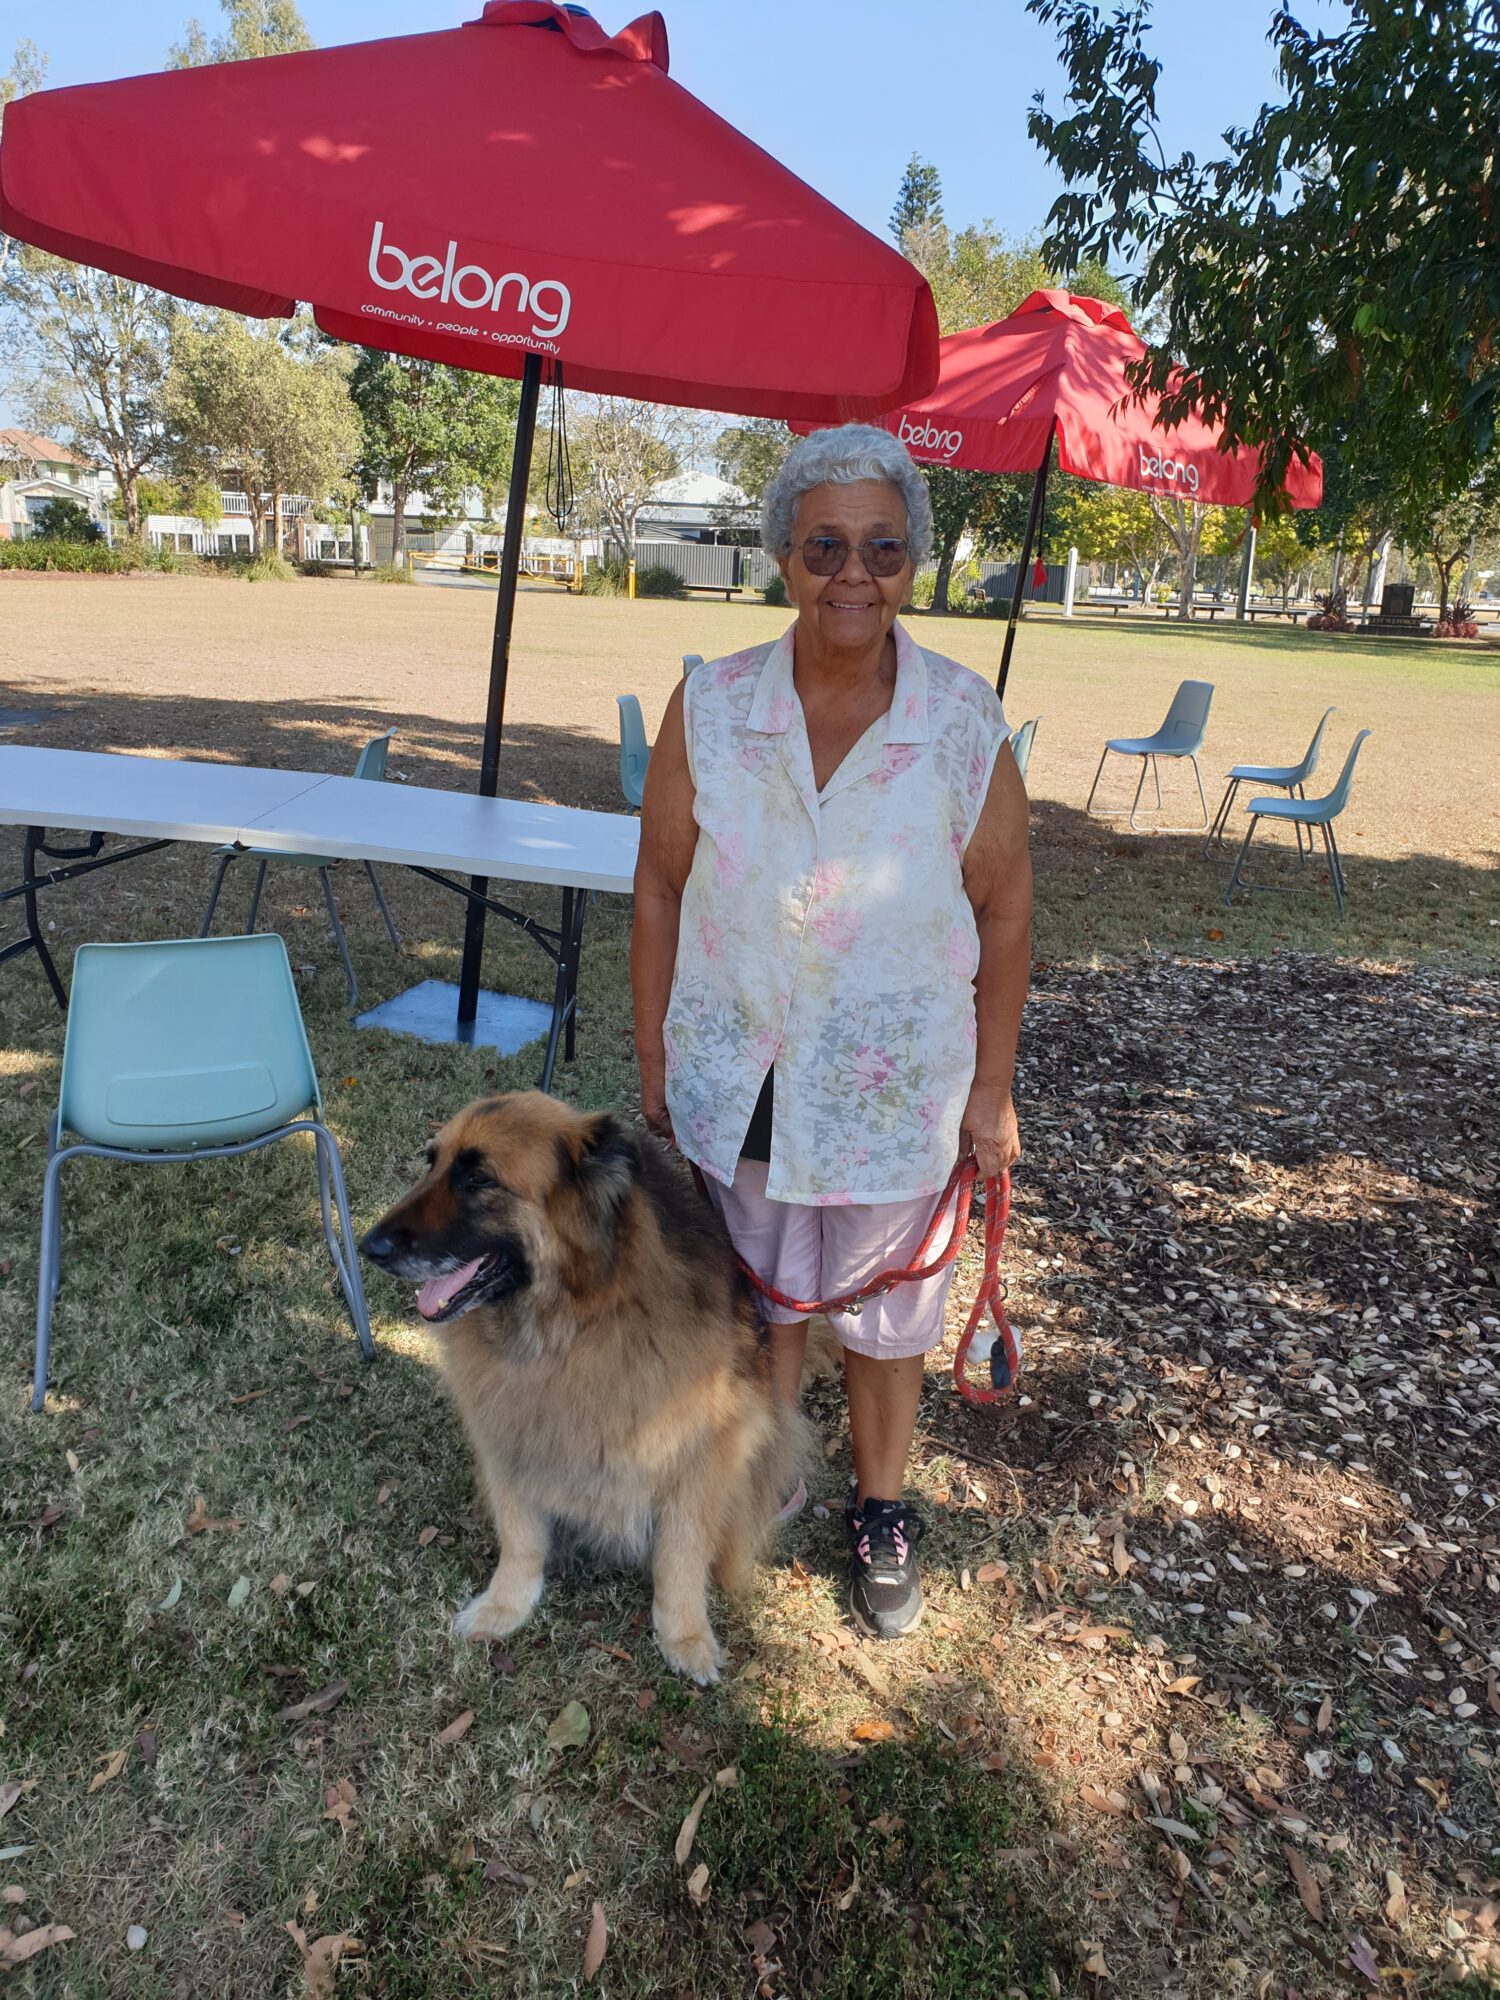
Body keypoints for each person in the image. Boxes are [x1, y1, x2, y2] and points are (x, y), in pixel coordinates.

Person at [631, 424, 1031, 1639]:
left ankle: (880, 1507)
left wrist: (995, 1085)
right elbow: (656, 884)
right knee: (764, 1297)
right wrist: (653, 1050)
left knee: (888, 1314)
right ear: (782, 558)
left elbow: (1006, 910)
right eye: (824, 545)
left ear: (912, 559)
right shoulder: (709, 705)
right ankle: (763, 1484)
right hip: (738, 1064)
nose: (852, 572)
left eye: (882, 547)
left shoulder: (965, 724)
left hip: (893, 1082)